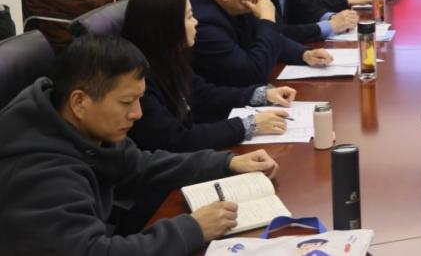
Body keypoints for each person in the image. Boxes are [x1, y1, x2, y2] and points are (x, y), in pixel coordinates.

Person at [0, 34, 281, 254]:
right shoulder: (39, 174)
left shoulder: (78, 126)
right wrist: (193, 228)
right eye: (126, 102)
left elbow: (138, 165)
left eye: (138, 99)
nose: (137, 113)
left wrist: (226, 162)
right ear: (79, 102)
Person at [123, 0, 297, 152]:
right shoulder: (137, 79)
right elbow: (176, 139)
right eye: (189, 17)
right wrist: (248, 125)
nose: (196, 22)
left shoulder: (168, 57)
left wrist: (260, 95)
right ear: (166, 26)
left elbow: (201, 93)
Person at [190, 0, 334, 87]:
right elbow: (252, 74)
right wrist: (267, 21)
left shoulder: (236, 7)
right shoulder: (203, 24)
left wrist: (304, 54)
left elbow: (274, 40)